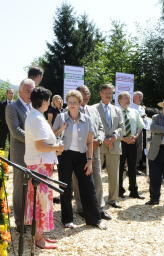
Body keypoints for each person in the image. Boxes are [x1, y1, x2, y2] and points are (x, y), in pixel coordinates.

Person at [53, 90, 106, 230]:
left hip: (82, 156)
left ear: (80, 103)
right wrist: (61, 129)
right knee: (65, 187)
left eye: (74, 103)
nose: (71, 105)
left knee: (88, 187)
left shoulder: (87, 119)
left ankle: (95, 219)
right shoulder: (60, 117)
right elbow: (52, 135)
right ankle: (67, 220)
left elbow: (90, 142)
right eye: (69, 102)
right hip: (64, 155)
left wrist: (90, 161)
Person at [24, 87, 64, 249]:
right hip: (39, 164)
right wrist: (56, 147)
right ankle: (38, 239)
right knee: (40, 202)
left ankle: (40, 235)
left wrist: (54, 147)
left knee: (42, 201)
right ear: (45, 101)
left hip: (41, 164)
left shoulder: (35, 116)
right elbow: (40, 145)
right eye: (48, 100)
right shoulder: (36, 118)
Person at [74, 85, 111, 220]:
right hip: (78, 152)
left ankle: (99, 208)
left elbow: (101, 128)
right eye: (83, 93)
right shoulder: (71, 110)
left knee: (98, 179)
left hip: (95, 150)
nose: (86, 95)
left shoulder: (94, 110)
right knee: (78, 180)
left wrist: (100, 139)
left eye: (88, 92)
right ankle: (81, 208)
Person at [5, 78, 35, 229]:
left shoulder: (32, 107)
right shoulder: (12, 107)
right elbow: (15, 131)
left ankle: (28, 218)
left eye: (32, 91)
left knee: (31, 186)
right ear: (20, 91)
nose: (30, 94)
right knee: (20, 186)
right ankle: (19, 221)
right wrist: (35, 139)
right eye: (27, 91)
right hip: (20, 153)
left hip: (33, 153)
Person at [94, 84, 124, 208]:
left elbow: (122, 127)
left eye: (111, 93)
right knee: (97, 175)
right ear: (100, 93)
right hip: (99, 145)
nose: (108, 95)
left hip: (114, 145)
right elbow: (91, 126)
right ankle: (96, 199)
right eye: (106, 92)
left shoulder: (117, 109)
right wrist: (102, 138)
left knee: (114, 174)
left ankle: (113, 199)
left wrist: (114, 137)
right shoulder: (93, 108)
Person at [118, 91, 145, 199]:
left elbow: (140, 126)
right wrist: (123, 139)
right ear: (119, 100)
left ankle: (134, 191)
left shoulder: (135, 112)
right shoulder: (115, 111)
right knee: (119, 168)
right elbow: (113, 128)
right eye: (125, 98)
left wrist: (135, 136)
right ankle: (119, 191)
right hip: (120, 142)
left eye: (129, 98)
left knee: (133, 167)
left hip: (132, 142)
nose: (128, 100)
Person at [131, 91, 147, 173]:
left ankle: (135, 167)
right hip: (131, 130)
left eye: (141, 96)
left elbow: (143, 119)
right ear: (134, 97)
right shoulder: (130, 106)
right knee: (131, 149)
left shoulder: (142, 107)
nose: (140, 98)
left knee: (139, 149)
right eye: (138, 96)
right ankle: (128, 167)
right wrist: (141, 117)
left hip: (140, 130)